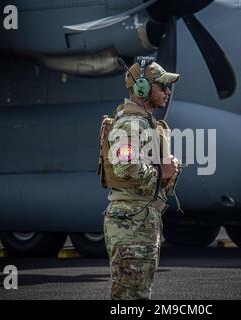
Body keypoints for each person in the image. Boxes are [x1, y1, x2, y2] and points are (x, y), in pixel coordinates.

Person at [98, 57, 181, 300]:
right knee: (130, 298)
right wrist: (161, 173)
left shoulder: (144, 124)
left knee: (137, 295)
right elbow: (125, 168)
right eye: (161, 85)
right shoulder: (130, 125)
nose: (167, 91)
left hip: (139, 220)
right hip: (131, 223)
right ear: (142, 88)